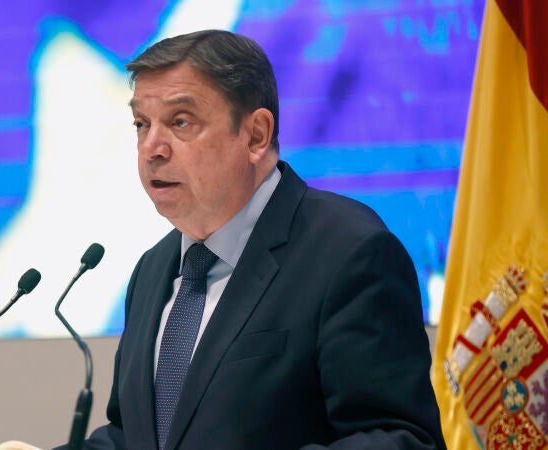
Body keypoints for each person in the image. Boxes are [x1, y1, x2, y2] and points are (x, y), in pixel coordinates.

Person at [62, 30, 446, 449]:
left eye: (180, 122)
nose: (151, 148)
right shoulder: (153, 269)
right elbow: (133, 437)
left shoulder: (350, 252)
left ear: (256, 135)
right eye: (142, 124)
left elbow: (401, 439)